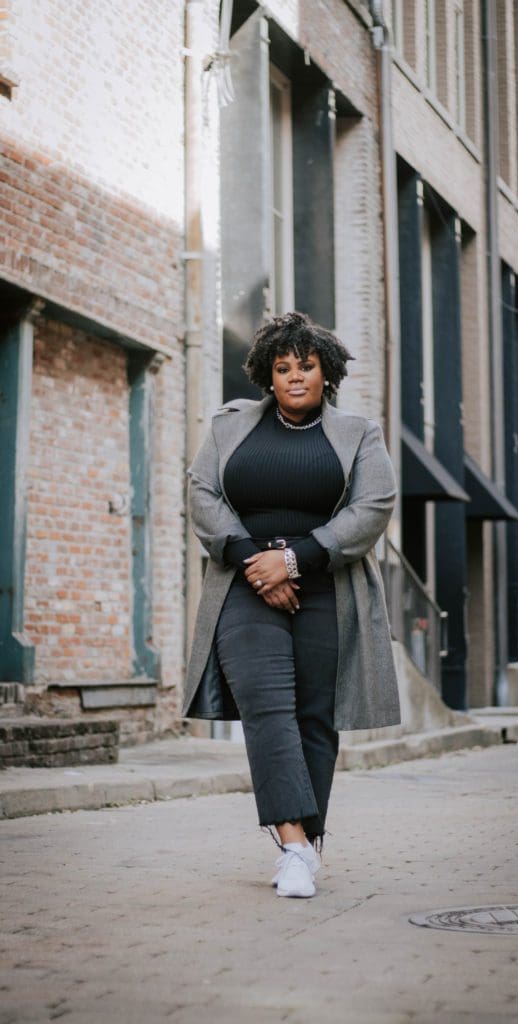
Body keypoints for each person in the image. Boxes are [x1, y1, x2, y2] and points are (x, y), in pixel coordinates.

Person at [182, 311, 400, 898]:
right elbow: (201, 493)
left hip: (328, 587)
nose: (295, 376)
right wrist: (258, 560)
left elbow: (374, 506)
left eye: (306, 366)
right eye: (283, 368)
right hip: (244, 585)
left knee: (314, 718)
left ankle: (308, 836)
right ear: (267, 375)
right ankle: (294, 847)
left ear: (325, 372)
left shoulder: (358, 433)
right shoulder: (230, 428)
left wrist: (297, 559)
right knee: (267, 707)